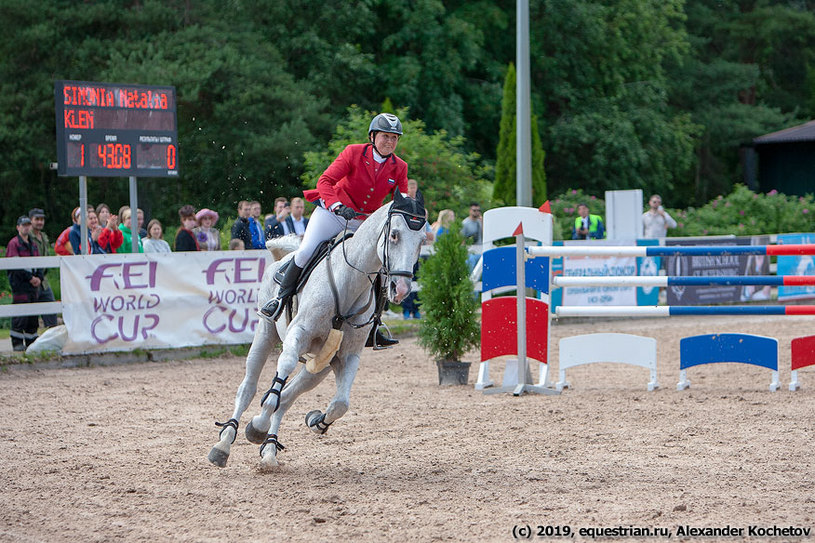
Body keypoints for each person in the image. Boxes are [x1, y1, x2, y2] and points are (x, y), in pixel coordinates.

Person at [259, 113, 411, 348]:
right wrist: (337, 205)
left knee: (378, 268)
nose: (390, 142)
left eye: (394, 138)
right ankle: (280, 300)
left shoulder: (399, 167)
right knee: (307, 250)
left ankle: (375, 325)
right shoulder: (353, 152)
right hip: (333, 213)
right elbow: (325, 181)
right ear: (373, 137)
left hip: (364, 223)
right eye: (385, 137)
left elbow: (400, 201)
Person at [5, 216, 45, 351]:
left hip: (33, 286)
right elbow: (16, 265)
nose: (26, 227)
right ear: (18, 227)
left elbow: (39, 262)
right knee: (20, 314)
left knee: (33, 316)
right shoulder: (14, 244)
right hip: (20, 285)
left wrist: (39, 277)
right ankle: (16, 341)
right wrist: (30, 278)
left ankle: (31, 341)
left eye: (28, 225)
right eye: (23, 225)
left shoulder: (33, 244)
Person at [27, 208, 57, 329]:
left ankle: (52, 337)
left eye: (41, 219)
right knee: (30, 314)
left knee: (51, 309)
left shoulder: (43, 236)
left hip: (43, 280)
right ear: (31, 221)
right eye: (37, 219)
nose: (40, 222)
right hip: (31, 279)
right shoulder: (27, 236)